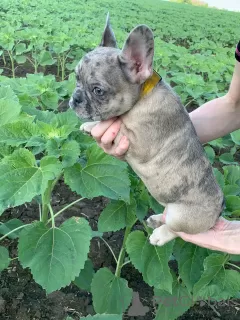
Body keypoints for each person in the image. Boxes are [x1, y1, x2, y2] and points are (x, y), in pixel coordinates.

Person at [90, 42, 240, 255]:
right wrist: (166, 135)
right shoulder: (154, 97)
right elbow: (236, 105)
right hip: (185, 191)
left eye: (97, 91)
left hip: (193, 208)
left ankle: (172, 228)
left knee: (180, 218)